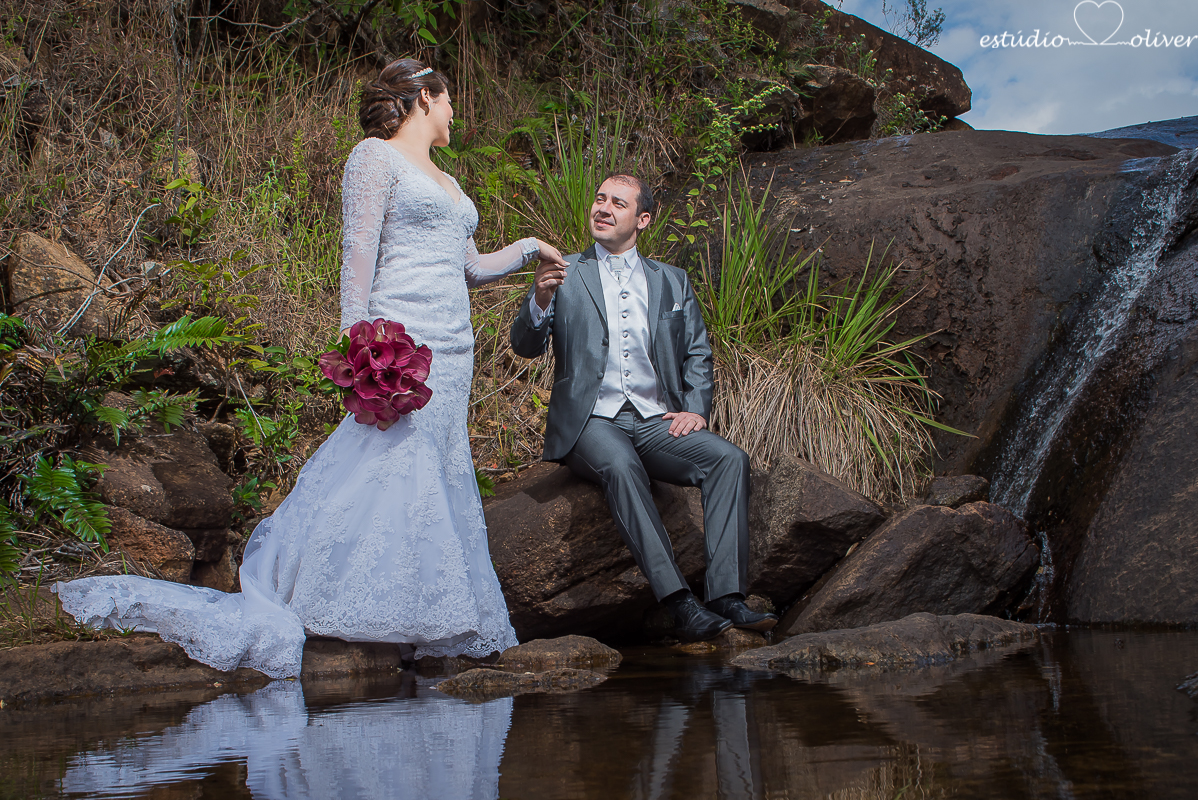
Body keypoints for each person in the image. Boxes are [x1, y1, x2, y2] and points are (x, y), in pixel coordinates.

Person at [54, 58, 568, 678]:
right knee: (387, 469)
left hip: (454, 352)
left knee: (440, 476)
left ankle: (426, 615)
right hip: (400, 344)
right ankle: (352, 609)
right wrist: (364, 350)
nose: (456, 112)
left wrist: (529, 252)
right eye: (450, 99)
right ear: (424, 98)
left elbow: (470, 267)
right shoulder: (374, 158)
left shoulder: (452, 185)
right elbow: (358, 259)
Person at [510, 174, 777, 642]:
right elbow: (525, 346)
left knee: (728, 460)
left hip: (655, 418)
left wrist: (696, 407)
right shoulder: (565, 271)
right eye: (599, 198)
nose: (603, 208)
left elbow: (697, 351)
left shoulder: (672, 280)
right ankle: (678, 602)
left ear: (643, 219)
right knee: (621, 466)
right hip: (591, 421)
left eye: (618, 202)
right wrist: (540, 297)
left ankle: (727, 595)